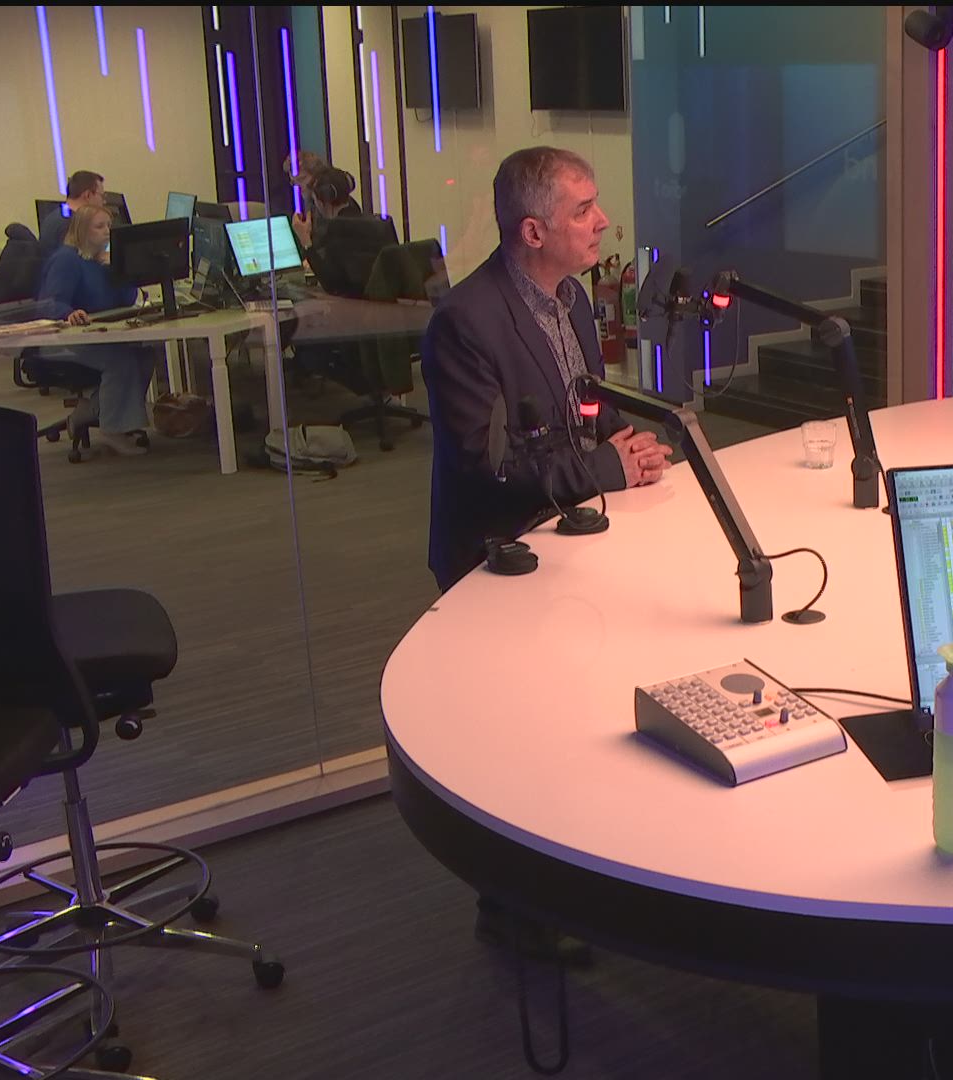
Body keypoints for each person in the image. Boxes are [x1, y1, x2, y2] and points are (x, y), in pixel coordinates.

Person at [422, 147, 676, 961]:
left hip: (571, 539)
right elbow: (485, 464)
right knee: (517, 746)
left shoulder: (572, 300)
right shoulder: (465, 322)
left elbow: (585, 410)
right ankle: (513, 911)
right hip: (496, 559)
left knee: (579, 722)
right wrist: (604, 469)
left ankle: (585, 871)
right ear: (534, 231)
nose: (603, 222)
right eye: (583, 210)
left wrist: (627, 445)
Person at [35, 205, 159, 456]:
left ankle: (91, 412)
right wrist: (68, 313)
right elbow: (48, 303)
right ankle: (112, 430)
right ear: (82, 230)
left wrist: (116, 269)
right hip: (63, 339)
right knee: (120, 361)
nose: (106, 231)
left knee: (146, 352)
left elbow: (128, 299)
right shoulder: (67, 260)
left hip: (101, 333)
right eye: (99, 227)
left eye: (109, 226)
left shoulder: (102, 259)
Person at [290, 165, 363, 252]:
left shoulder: (337, 232)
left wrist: (305, 240)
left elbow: (324, 261)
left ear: (322, 201)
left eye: (315, 200)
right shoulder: (354, 214)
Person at [39, 170, 107, 250]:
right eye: (102, 196)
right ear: (88, 195)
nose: (104, 202)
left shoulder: (55, 216)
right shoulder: (74, 224)